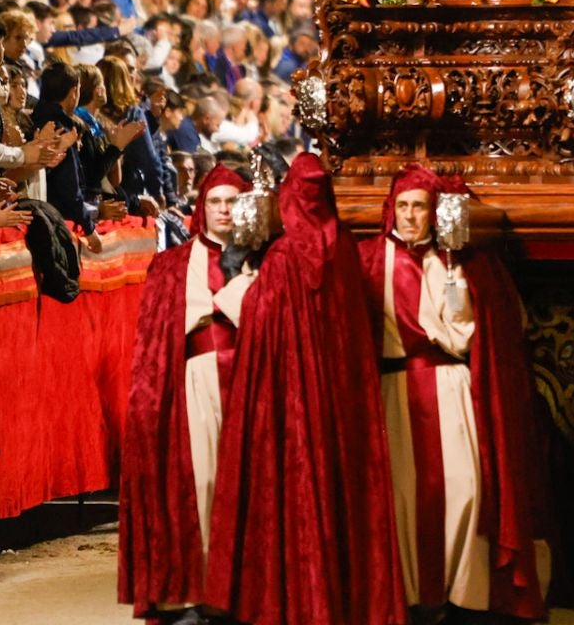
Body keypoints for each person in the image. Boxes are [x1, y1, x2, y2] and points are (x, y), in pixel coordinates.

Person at [196, 153, 407, 625]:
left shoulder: (284, 258)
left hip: (284, 410)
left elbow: (257, 322)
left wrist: (242, 277)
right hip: (340, 409)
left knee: (286, 496)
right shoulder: (347, 250)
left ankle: (290, 597)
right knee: (339, 494)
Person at [359, 168, 548, 621]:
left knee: (466, 491)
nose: (409, 217)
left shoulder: (458, 261)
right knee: (404, 497)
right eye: (402, 206)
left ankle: (462, 595)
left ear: (434, 212)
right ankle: (412, 597)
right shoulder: (369, 259)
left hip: (450, 385)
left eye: (418, 207)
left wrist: (454, 276)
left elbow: (470, 335)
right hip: (395, 387)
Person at [120, 163, 264, 620]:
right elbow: (155, 347)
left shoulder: (265, 260)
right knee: (202, 488)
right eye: (216, 201)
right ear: (202, 207)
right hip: (198, 386)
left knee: (250, 491)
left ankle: (248, 594)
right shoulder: (172, 267)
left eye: (233, 202)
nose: (224, 210)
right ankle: (201, 594)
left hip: (250, 387)